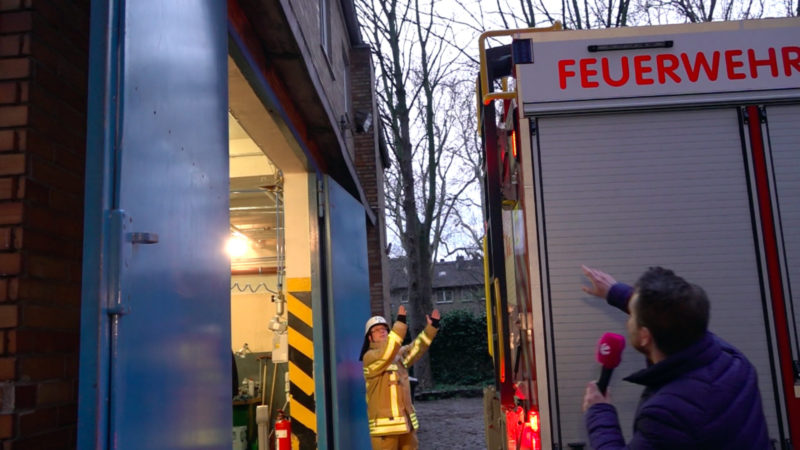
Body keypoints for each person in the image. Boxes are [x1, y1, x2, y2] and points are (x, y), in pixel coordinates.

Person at [580, 265, 770, 450]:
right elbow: (681, 316)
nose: (629, 319)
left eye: (633, 316)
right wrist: (616, 292)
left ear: (645, 336)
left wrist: (599, 412)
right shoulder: (733, 361)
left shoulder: (667, 414)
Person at [359, 305, 440, 450]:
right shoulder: (370, 357)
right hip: (385, 430)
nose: (381, 331)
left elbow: (416, 348)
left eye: (384, 329)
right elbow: (387, 353)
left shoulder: (396, 356)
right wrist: (401, 322)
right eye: (376, 330)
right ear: (370, 337)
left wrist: (431, 328)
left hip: (406, 425)